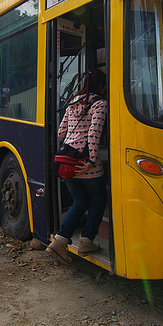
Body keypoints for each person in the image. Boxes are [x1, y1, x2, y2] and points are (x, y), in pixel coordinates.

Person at [47, 69, 108, 265]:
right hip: (85, 163)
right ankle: (86, 241)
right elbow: (94, 133)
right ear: (103, 86)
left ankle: (60, 240)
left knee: (80, 201)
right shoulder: (100, 103)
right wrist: (91, 160)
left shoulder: (73, 102)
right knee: (98, 199)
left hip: (66, 161)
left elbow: (60, 132)